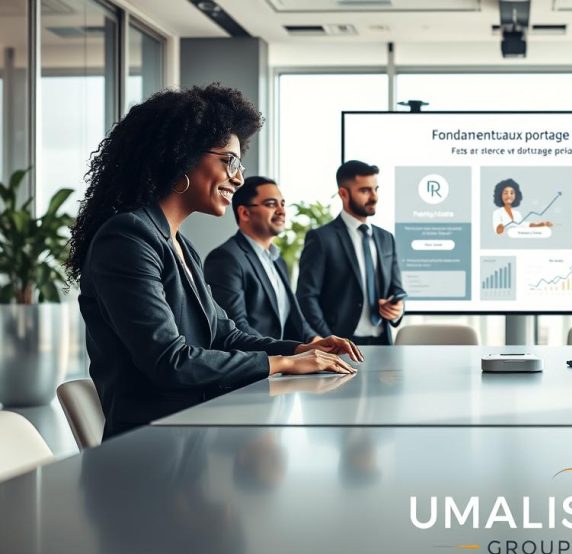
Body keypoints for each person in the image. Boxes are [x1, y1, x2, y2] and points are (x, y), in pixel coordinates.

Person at [67, 85, 363, 439]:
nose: (238, 177)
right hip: (151, 449)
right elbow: (169, 362)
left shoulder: (180, 245)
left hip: (194, 433)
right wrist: (283, 363)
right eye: (229, 161)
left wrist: (301, 349)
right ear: (180, 155)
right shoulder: (127, 239)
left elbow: (224, 334)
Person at [297, 160, 406, 345]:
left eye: (376, 189)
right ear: (343, 194)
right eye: (365, 191)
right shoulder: (321, 238)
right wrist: (328, 339)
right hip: (341, 342)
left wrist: (397, 309)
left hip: (383, 341)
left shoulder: (387, 238)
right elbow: (306, 297)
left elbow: (396, 289)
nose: (374, 197)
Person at [204, 176, 319, 342]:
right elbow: (236, 326)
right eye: (271, 204)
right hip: (256, 363)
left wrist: (318, 341)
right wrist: (290, 353)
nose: (281, 211)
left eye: (282, 203)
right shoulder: (226, 259)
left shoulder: (278, 260)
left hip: (281, 361)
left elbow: (295, 319)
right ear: (244, 213)